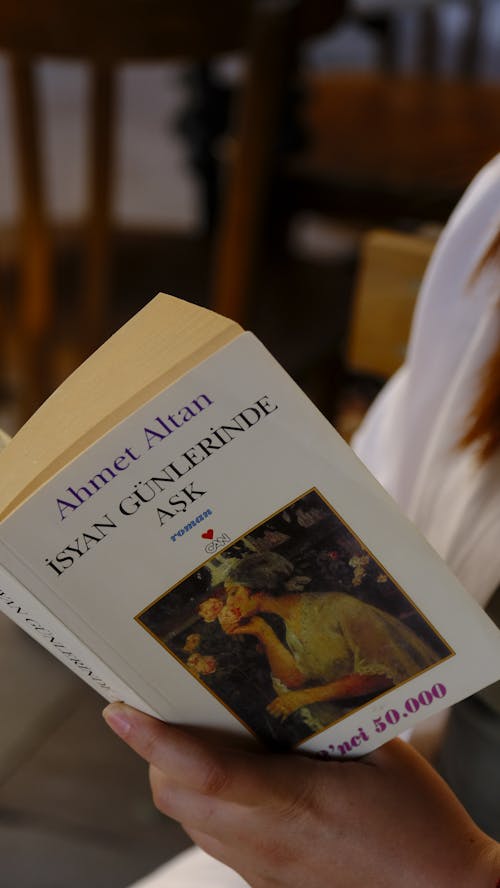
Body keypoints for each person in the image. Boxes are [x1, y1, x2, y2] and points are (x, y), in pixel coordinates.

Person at [103, 154, 500, 886]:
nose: (226, 611)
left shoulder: (336, 610)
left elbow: (359, 677)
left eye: (230, 602)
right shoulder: (495, 219)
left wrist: (452, 872)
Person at [216, 552, 439, 730]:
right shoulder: (288, 626)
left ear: (258, 590)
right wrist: (263, 632)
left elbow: (387, 670)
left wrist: (306, 697)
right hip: (363, 722)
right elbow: (296, 680)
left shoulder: (336, 607)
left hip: (409, 712)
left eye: (234, 592)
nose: (229, 602)